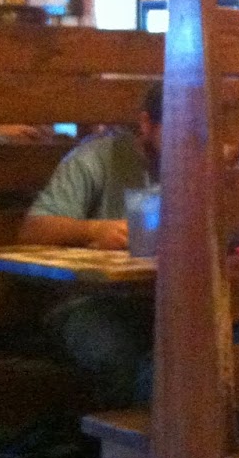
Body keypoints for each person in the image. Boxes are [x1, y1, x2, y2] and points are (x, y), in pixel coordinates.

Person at [18, 83, 160, 410]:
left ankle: (147, 452)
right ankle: (115, 453)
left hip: (157, 299)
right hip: (85, 301)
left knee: (182, 362)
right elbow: (33, 229)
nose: (185, 144)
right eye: (175, 132)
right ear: (145, 123)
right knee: (119, 359)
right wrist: (96, 229)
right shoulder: (97, 156)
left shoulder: (196, 165)